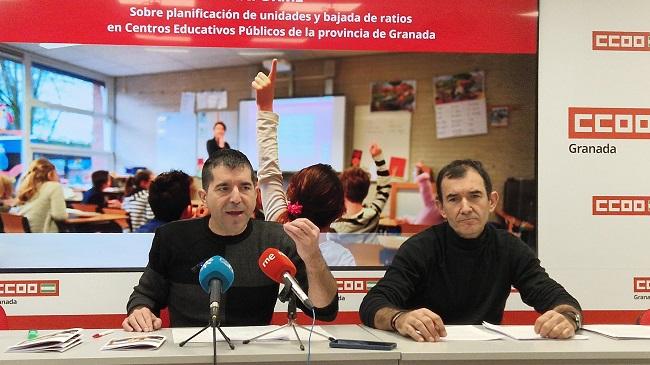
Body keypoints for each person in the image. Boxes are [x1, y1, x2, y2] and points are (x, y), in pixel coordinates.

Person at [360, 159, 582, 341]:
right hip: (425, 353)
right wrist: (399, 318)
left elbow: (558, 298)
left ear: (492, 201)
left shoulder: (509, 247)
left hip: (485, 355)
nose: (465, 208)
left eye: (474, 196)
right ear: (441, 208)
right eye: (454, 199)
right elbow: (372, 305)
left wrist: (568, 318)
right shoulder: (420, 248)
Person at [122, 149, 338, 331]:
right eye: (224, 188)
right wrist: (140, 310)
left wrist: (313, 257)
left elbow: (323, 310)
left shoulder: (278, 239)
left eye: (244, 188)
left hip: (251, 355)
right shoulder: (172, 237)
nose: (236, 198)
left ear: (255, 194)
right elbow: (145, 295)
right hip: (188, 354)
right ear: (204, 197)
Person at [253, 59, 355, 267]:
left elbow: (268, 167)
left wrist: (265, 107)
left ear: (292, 198)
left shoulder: (277, 225)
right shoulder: (342, 258)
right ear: (340, 211)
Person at [330, 143, 391, 233]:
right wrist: (378, 157)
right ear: (365, 191)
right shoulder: (373, 213)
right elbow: (385, 187)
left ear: (344, 191)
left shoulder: (334, 227)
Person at [13, 158, 68, 232]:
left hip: (24, 234)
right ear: (50, 174)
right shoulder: (54, 186)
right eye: (56, 173)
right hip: (42, 236)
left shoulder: (27, 187)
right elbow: (60, 216)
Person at [399, 161, 443, 226]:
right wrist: (406, 219)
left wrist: (422, 176)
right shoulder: (433, 204)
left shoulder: (433, 204)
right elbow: (419, 220)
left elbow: (425, 188)